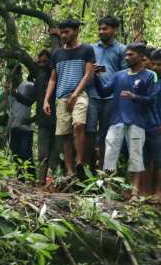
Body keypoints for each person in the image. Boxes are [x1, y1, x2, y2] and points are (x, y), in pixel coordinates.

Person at [93, 43, 156, 194]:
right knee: (110, 155)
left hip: (137, 122)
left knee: (136, 157)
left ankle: (134, 192)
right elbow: (103, 92)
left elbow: (151, 100)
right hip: (116, 121)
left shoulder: (149, 76)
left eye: (131, 55)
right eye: (126, 55)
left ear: (141, 57)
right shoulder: (118, 75)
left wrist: (135, 97)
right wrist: (95, 77)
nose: (127, 57)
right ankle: (108, 191)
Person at [43, 18, 96, 178]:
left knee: (79, 124)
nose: (64, 35)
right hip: (61, 98)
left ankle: (79, 161)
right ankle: (70, 170)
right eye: (62, 32)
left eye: (67, 32)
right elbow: (53, 78)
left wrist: (74, 95)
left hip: (79, 95)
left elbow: (88, 74)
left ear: (76, 31)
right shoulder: (57, 53)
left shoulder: (86, 50)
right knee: (65, 135)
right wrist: (46, 100)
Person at [87, 16, 127, 169]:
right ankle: (88, 169)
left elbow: (123, 73)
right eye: (100, 29)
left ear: (114, 30)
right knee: (89, 132)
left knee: (105, 134)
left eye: (105, 29)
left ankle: (103, 170)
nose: (101, 32)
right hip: (92, 94)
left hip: (111, 97)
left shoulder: (122, 50)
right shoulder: (91, 48)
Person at [33, 50, 60, 182]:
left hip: (57, 120)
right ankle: (41, 180)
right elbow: (35, 99)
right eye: (40, 62)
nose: (43, 64)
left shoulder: (58, 77)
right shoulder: (39, 79)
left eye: (45, 61)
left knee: (55, 152)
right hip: (43, 121)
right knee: (43, 153)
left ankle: (51, 179)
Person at [8, 66, 35, 163]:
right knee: (16, 157)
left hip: (25, 128)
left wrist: (32, 119)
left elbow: (32, 101)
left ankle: (31, 178)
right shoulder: (11, 90)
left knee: (26, 155)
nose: (12, 78)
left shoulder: (28, 85)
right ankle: (20, 178)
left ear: (20, 74)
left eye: (14, 75)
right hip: (14, 127)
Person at [146, 48, 161, 197]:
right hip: (149, 124)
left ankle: (158, 192)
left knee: (159, 161)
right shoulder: (151, 80)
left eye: (159, 65)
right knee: (148, 159)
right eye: (154, 64)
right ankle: (148, 191)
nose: (156, 67)